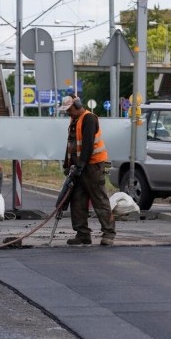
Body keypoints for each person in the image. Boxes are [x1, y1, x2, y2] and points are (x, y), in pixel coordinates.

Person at [59, 95, 115, 246]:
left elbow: (88, 145)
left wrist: (81, 165)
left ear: (77, 105)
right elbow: (71, 145)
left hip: (93, 167)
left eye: (69, 110)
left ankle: (108, 233)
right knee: (77, 201)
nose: (68, 113)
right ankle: (82, 234)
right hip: (79, 167)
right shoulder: (74, 120)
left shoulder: (89, 119)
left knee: (99, 199)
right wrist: (68, 165)